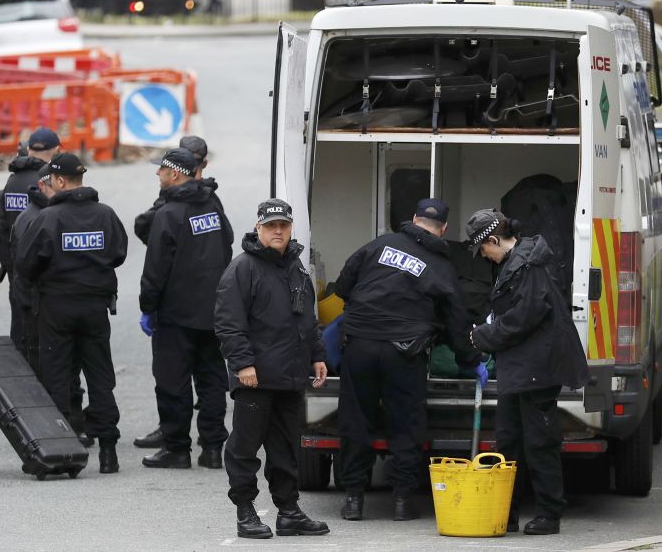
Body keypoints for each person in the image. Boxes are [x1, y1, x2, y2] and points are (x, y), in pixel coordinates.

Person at [334, 198, 483, 521]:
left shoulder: (380, 244)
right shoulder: (443, 267)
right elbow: (457, 320)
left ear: (413, 219)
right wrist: (469, 360)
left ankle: (353, 499)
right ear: (443, 229)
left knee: (356, 420)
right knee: (406, 425)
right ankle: (402, 500)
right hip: (405, 352)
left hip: (359, 343)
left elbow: (344, 283)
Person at [465, 208, 589, 536]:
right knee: (508, 441)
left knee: (539, 442)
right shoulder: (516, 261)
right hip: (520, 368)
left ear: (493, 240)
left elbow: (525, 316)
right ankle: (506, 512)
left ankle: (549, 513)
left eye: (483, 250)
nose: (484, 257)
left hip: (537, 367)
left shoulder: (529, 265)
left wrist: (483, 336)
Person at [214, 199, 330, 539]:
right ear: (258, 228)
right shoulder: (242, 269)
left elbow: (308, 318)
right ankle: (245, 511)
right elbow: (228, 323)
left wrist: (317, 355)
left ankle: (289, 512)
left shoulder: (296, 268)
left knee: (286, 449)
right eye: (270, 225)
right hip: (256, 378)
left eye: (283, 225)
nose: (277, 231)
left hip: (290, 375)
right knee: (245, 447)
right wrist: (243, 364)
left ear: (291, 228)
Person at [15, 152, 128, 474]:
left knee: (58, 377)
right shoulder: (105, 215)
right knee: (100, 379)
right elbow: (118, 253)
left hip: (57, 307)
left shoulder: (48, 219)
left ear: (60, 181)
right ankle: (109, 453)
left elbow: (25, 264)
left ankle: (64, 453)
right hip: (95, 307)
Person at [138, 148, 234, 470]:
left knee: (172, 382)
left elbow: (155, 269)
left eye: (161, 170)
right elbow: (228, 240)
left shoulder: (169, 213)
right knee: (211, 380)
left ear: (175, 174)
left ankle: (177, 449)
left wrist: (148, 307)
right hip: (212, 312)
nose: (157, 175)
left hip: (176, 314)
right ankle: (212, 448)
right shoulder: (212, 203)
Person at [0, 127, 60, 349]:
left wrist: (9, 266)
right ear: (56, 150)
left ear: (28, 149)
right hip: (42, 271)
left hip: (16, 267)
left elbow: (2, 229)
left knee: (20, 327)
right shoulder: (48, 182)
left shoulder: (12, 182)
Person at [9, 165, 55, 370]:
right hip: (37, 307)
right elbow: (25, 268)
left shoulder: (43, 213)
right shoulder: (34, 218)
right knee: (42, 367)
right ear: (43, 186)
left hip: (42, 305)